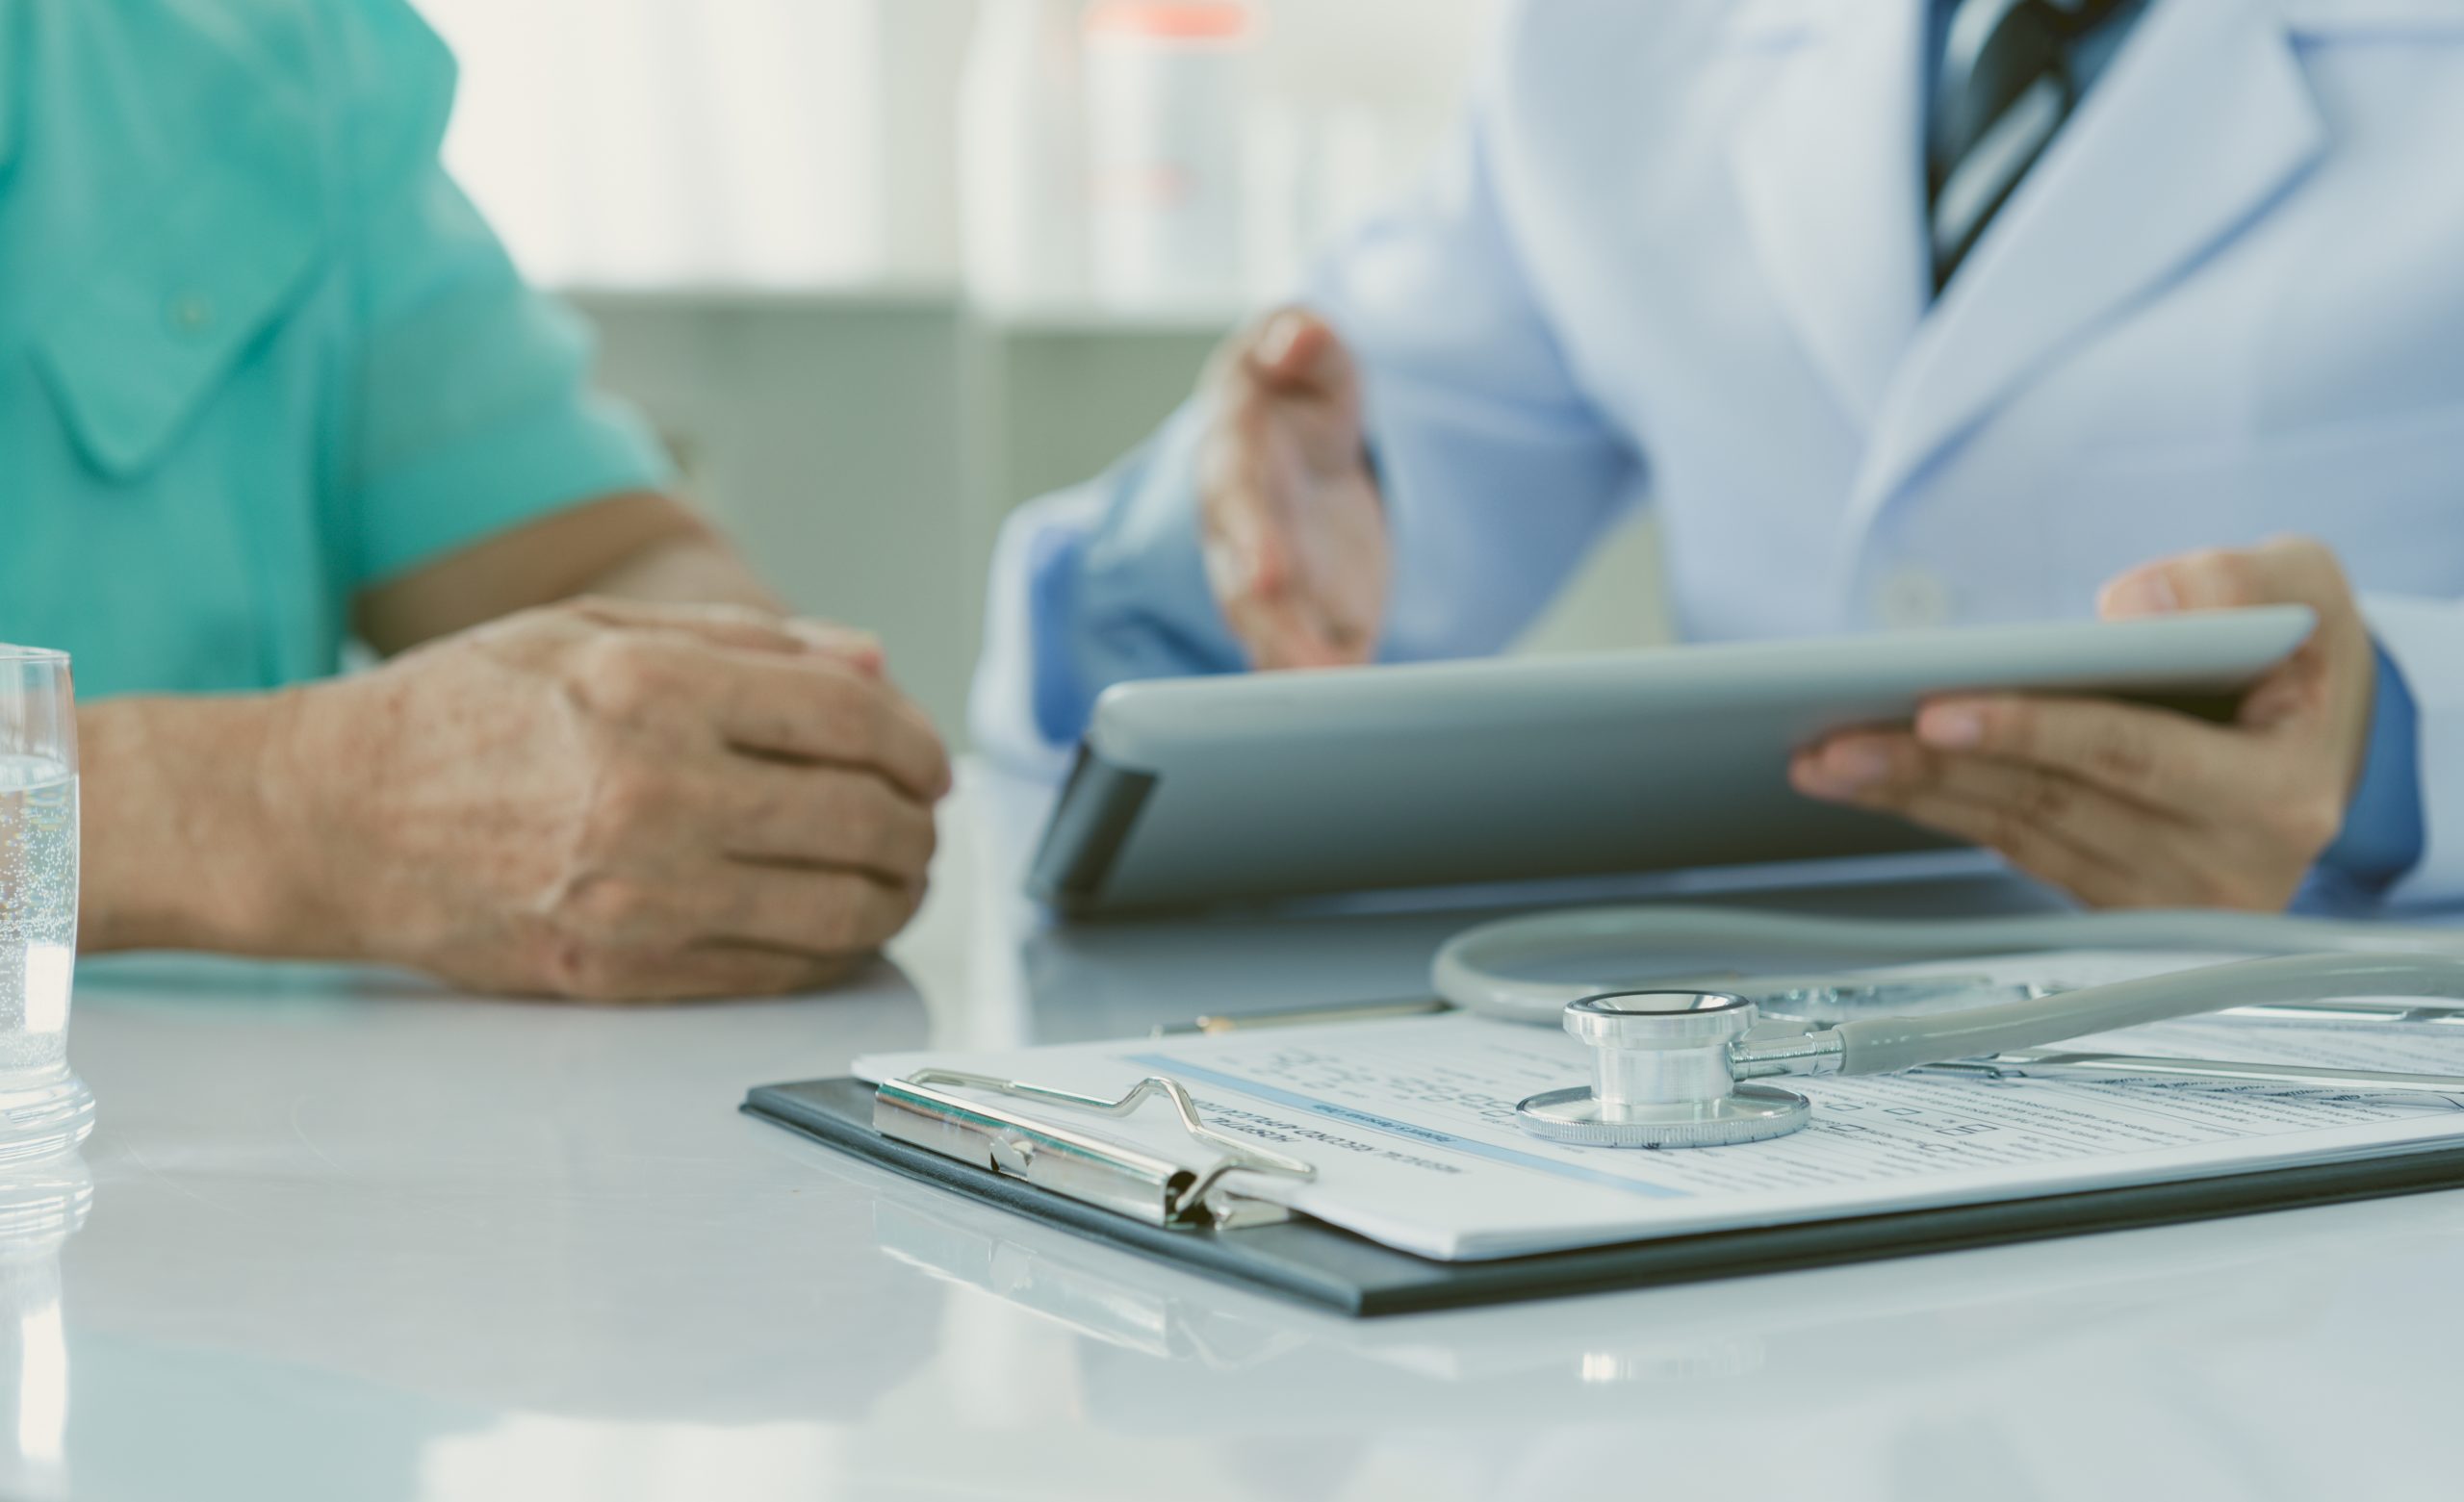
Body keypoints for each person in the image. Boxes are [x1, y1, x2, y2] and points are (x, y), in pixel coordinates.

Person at [974, 0, 2464, 912]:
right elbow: (1258, 560)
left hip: (2345, 1174)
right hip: (1756, 1142)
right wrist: (1222, 549)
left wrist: (2396, 750)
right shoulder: (1621, 39)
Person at [1, 0, 949, 1000]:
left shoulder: (276, 67)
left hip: (298, 1131)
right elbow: (318, 811)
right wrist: (286, 809)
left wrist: (709, 741)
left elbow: (605, 561)